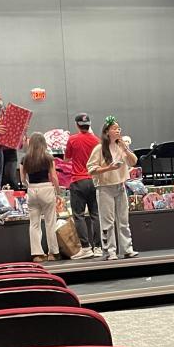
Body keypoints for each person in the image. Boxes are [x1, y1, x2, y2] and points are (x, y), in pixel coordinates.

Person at [87, 116, 138, 261]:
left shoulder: (121, 147)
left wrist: (125, 148)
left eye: (118, 128)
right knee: (108, 222)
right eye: (114, 128)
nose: (118, 131)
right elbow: (91, 169)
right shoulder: (99, 149)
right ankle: (110, 251)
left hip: (120, 186)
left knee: (123, 220)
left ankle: (127, 249)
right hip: (104, 188)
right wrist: (108, 168)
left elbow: (133, 161)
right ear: (107, 132)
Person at [20, 131, 61, 263]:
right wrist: (58, 191)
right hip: (46, 188)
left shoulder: (25, 159)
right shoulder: (48, 158)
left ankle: (37, 254)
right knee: (50, 222)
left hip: (32, 189)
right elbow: (53, 176)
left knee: (34, 224)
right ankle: (52, 253)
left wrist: (29, 186)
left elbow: (22, 179)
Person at [65, 112, 99, 257]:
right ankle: (98, 247)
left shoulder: (72, 139)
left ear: (77, 125)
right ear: (89, 124)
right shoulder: (97, 140)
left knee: (78, 215)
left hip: (78, 181)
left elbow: (66, 159)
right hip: (94, 180)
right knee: (95, 214)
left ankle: (86, 248)